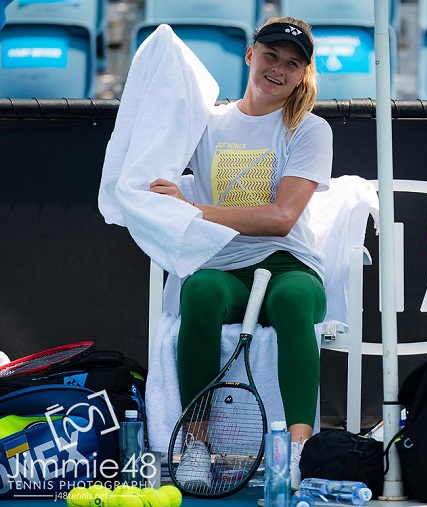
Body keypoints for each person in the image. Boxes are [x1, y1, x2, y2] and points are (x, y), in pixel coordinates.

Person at [149, 17, 331, 490]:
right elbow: (151, 163)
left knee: (291, 301)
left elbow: (282, 218)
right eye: (271, 55)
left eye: (292, 64)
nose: (278, 69)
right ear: (250, 55)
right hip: (221, 262)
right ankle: (197, 446)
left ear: (301, 74)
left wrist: (191, 209)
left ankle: (297, 451)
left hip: (288, 262)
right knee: (201, 291)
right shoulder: (206, 122)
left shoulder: (310, 129)